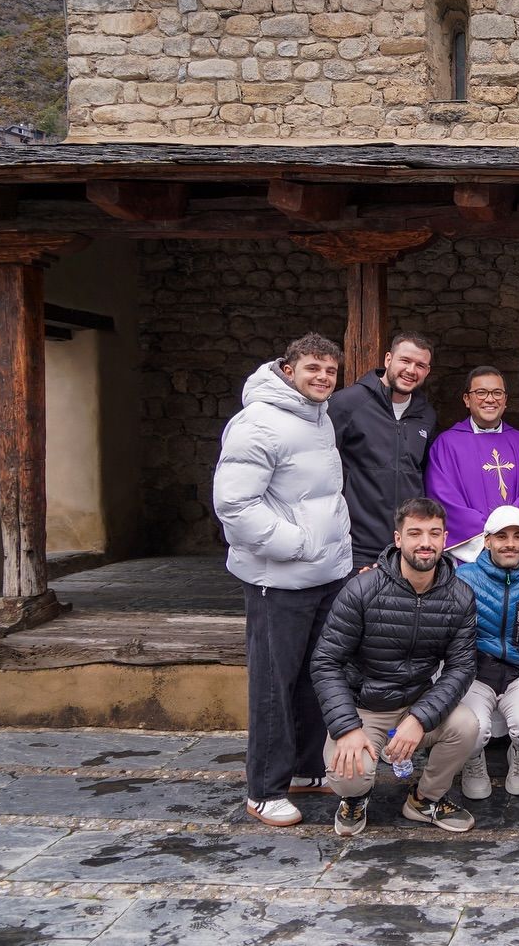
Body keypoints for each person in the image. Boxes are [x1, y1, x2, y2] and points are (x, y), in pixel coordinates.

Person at [213, 332, 352, 828]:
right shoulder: (258, 424)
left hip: (324, 574)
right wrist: (297, 544)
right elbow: (234, 505)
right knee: (274, 683)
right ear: (288, 369)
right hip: (279, 578)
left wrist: (332, 552)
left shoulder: (319, 419)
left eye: (330, 371)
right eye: (312, 368)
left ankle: (304, 768)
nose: (322, 378)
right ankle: (264, 789)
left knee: (317, 675)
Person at [309, 497, 480, 837]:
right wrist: (346, 727)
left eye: (434, 533)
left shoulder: (460, 596)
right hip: (365, 708)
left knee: (465, 725)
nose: (426, 542)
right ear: (398, 539)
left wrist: (421, 718)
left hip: (415, 703)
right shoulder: (362, 589)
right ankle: (355, 800)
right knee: (348, 774)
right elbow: (326, 661)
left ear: (446, 539)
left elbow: (461, 667)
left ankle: (424, 800)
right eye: (415, 533)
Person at [454, 504, 519, 799]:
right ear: (487, 541)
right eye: (501, 536)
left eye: (518, 536)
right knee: (470, 728)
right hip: (477, 672)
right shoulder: (464, 578)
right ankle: (473, 762)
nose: (510, 544)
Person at [328, 332, 438, 571]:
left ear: (427, 372)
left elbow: (420, 472)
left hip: (406, 545)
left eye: (420, 365)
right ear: (388, 359)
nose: (411, 370)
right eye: (405, 361)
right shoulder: (347, 403)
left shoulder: (426, 415)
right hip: (357, 543)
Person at [425, 366, 519, 563]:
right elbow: (443, 498)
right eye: (481, 392)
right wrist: (489, 536)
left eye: (497, 393)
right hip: (471, 553)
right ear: (466, 399)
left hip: (517, 552)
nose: (490, 399)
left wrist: (510, 533)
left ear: (505, 400)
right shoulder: (447, 444)